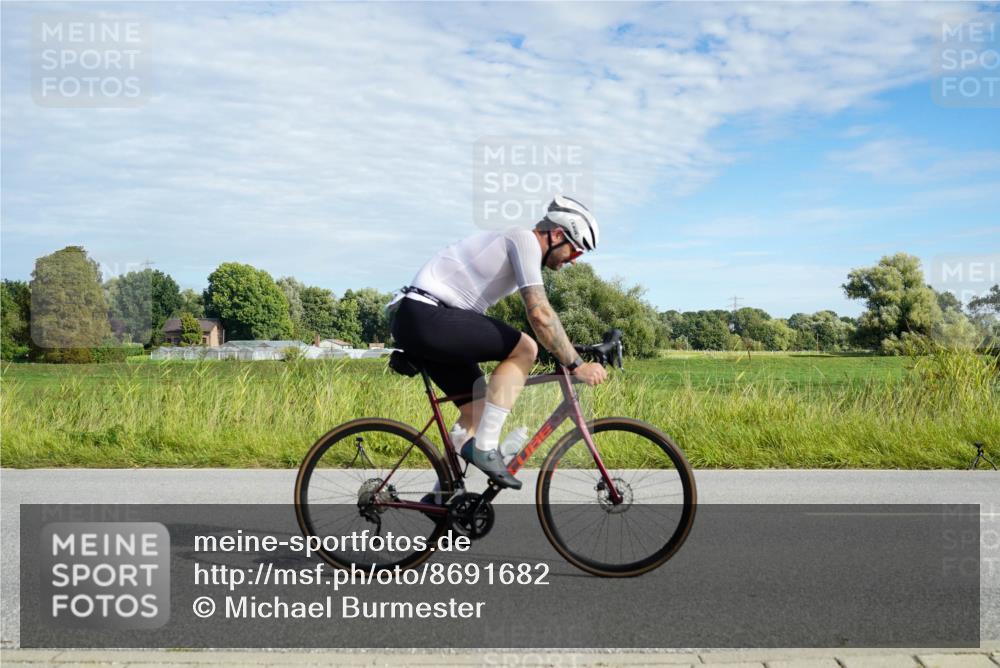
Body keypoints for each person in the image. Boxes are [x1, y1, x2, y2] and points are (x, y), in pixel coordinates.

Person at [389, 195, 607, 491]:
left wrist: (569, 347)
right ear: (557, 235)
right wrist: (576, 365)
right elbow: (540, 314)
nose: (572, 261)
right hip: (426, 314)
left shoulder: (521, 246)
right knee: (526, 347)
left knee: (476, 410)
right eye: (575, 252)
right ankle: (487, 447)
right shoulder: (524, 240)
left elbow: (543, 319)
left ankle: (444, 497)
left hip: (425, 319)